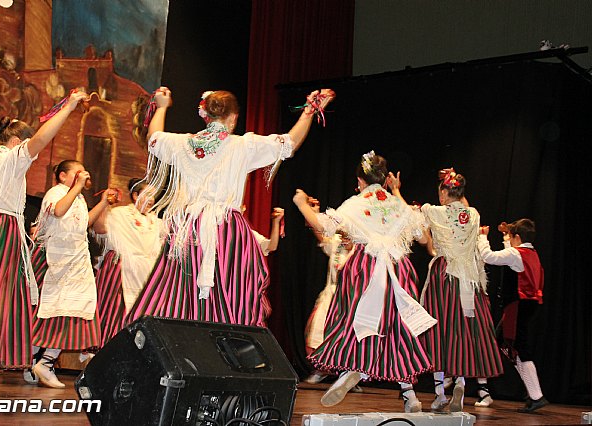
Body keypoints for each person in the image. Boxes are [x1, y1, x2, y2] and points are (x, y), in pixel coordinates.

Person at [126, 86, 334, 327]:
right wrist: (309, 111)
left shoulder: (183, 144)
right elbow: (289, 143)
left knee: (179, 292)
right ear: (234, 118)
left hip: (188, 230)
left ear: (205, 115)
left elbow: (153, 139)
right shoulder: (242, 146)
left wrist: (161, 107)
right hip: (226, 230)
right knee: (231, 290)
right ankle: (228, 345)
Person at [0, 90, 87, 394]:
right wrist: (67, 108)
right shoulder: (8, 158)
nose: (30, 153)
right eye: (24, 146)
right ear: (16, 143)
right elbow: (39, 140)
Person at [293, 151, 437, 412]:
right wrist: (398, 194)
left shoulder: (356, 203)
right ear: (385, 179)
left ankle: (351, 369)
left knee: (352, 321)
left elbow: (323, 224)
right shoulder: (397, 205)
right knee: (398, 330)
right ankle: (409, 395)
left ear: (360, 180)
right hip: (397, 270)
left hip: (365, 268)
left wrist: (301, 203)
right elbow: (424, 239)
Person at [419, 168, 503, 412]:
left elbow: (421, 234)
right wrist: (455, 181)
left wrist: (394, 190)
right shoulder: (473, 214)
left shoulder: (435, 211)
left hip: (444, 275)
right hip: (469, 280)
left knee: (439, 330)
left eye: (441, 192)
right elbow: (462, 205)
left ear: (444, 192)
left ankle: (438, 394)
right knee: (462, 330)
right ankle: (460, 382)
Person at [27, 160, 110, 388]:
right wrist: (77, 187)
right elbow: (58, 210)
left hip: (76, 261)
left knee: (72, 311)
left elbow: (84, 224)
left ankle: (44, 361)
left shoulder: (78, 198)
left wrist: (102, 203)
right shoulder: (56, 192)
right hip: (56, 260)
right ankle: (38, 362)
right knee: (47, 314)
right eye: (77, 172)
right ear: (63, 176)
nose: (82, 175)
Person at [478, 218, 548, 413]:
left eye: (511, 236)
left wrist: (482, 237)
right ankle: (533, 393)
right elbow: (511, 257)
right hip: (528, 304)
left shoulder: (516, 253)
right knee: (504, 341)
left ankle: (536, 395)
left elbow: (488, 257)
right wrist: (505, 236)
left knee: (518, 347)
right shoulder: (530, 252)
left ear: (517, 237)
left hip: (518, 304)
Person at [92, 178, 162, 347]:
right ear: (135, 195)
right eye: (147, 195)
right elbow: (100, 229)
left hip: (147, 274)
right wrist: (105, 204)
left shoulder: (157, 222)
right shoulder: (120, 213)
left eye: (153, 196)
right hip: (123, 270)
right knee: (116, 313)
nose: (151, 200)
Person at [303, 196, 355, 384]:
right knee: (318, 329)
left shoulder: (360, 251)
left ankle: (348, 376)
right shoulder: (336, 244)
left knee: (347, 336)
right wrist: (314, 213)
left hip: (349, 299)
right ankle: (321, 368)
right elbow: (321, 235)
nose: (343, 235)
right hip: (331, 294)